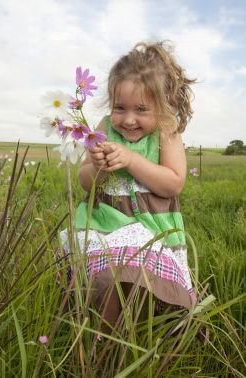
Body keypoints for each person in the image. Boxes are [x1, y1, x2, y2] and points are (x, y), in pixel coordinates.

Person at [60, 41, 197, 332]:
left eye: (141, 109)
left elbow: (174, 183)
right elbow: (86, 181)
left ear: (160, 107)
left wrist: (132, 160)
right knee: (109, 282)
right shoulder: (105, 126)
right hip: (106, 224)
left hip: (149, 229)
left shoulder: (166, 130)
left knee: (137, 284)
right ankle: (103, 344)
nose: (129, 119)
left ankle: (139, 331)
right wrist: (96, 167)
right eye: (120, 107)